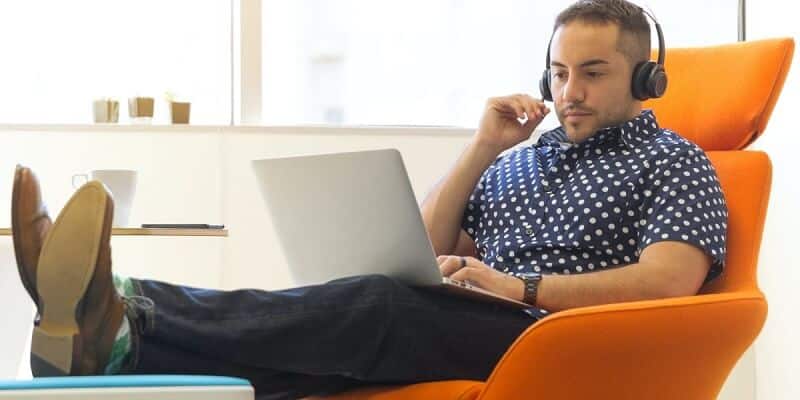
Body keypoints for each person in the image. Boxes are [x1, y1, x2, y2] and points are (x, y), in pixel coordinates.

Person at [11, 1, 727, 399]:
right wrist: (482, 148)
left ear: (646, 80)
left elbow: (670, 279)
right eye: (559, 73)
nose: (568, 92)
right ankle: (106, 346)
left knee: (375, 306)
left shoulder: (673, 160)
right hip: (474, 322)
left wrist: (520, 285)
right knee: (300, 366)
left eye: (593, 73)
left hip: (555, 342)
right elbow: (415, 248)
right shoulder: (519, 161)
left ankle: (126, 312)